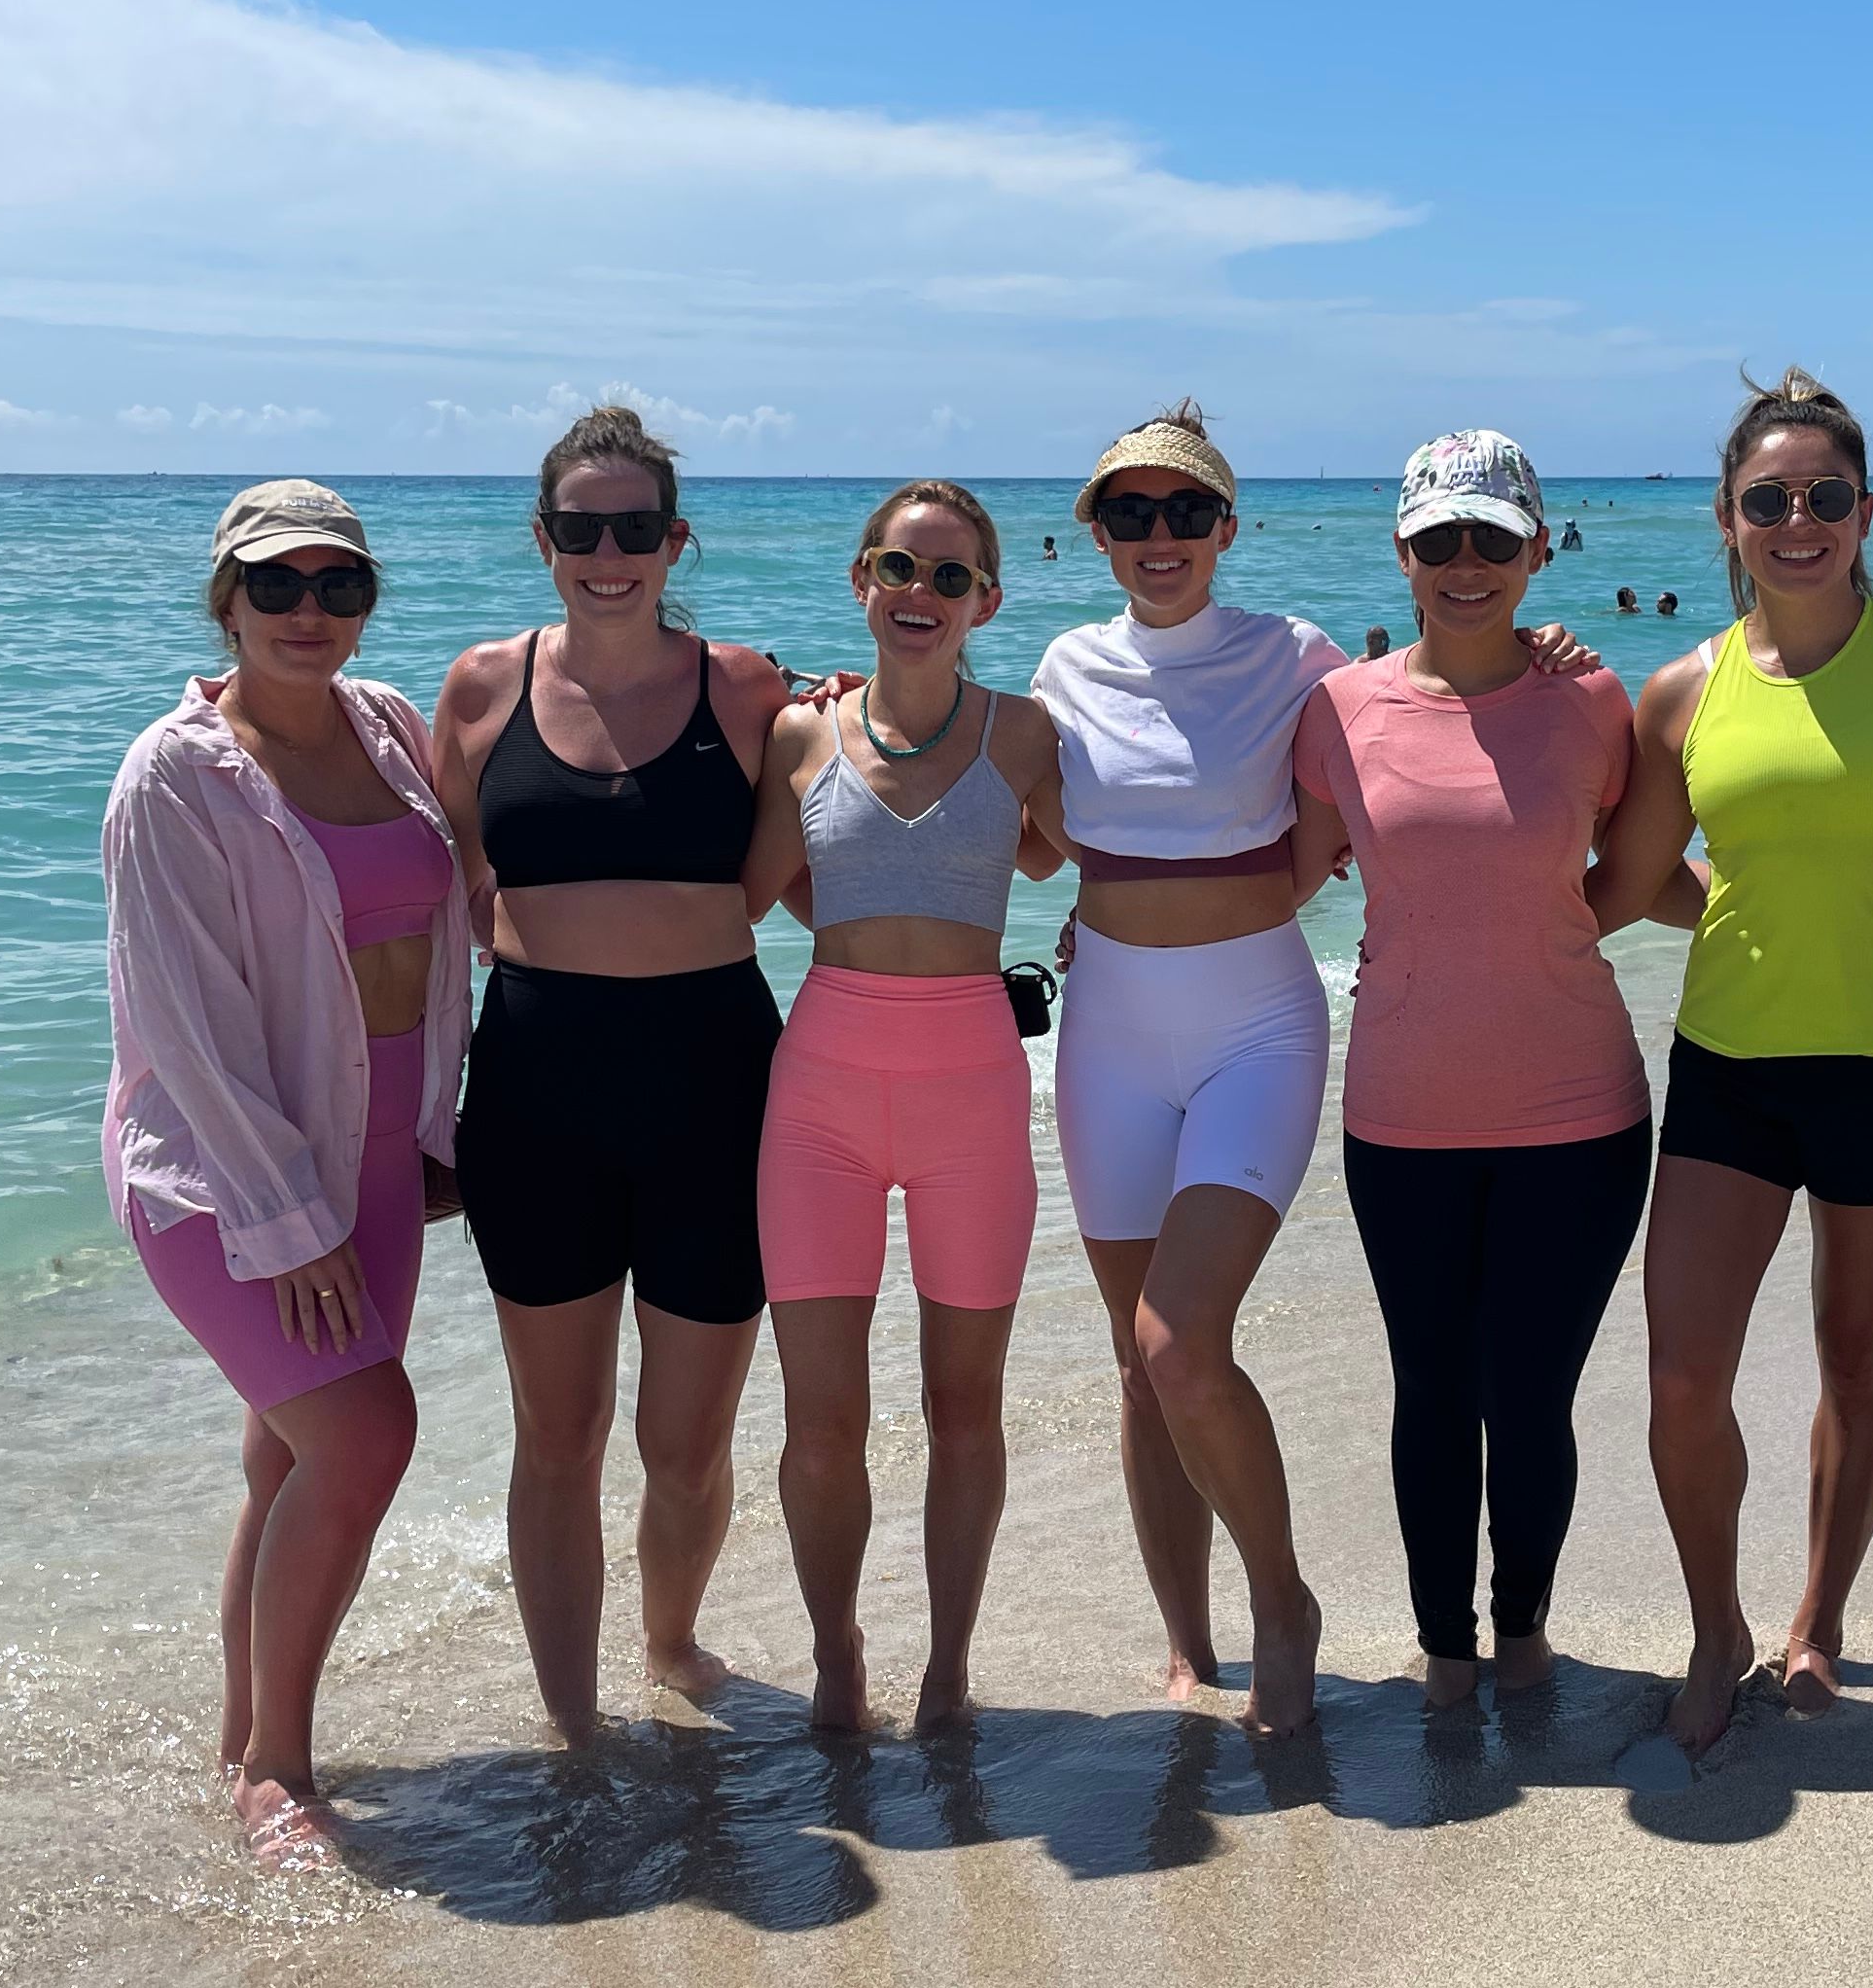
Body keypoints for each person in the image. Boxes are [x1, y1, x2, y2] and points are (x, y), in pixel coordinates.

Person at [1593, 370, 1873, 1744]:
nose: (1798, 520)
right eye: (1768, 500)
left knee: (1855, 1357)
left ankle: (1819, 1622)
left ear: (1865, 511)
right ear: (1728, 518)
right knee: (1682, 1377)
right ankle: (1715, 1627)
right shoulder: (1681, 690)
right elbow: (1630, 879)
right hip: (1730, 1068)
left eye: (1825, 497)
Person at [102, 483, 471, 1869]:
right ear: (226, 602)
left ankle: (240, 1734)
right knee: (364, 1437)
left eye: (339, 585)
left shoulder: (388, 728)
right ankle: (278, 1773)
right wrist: (287, 1219)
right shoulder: (175, 775)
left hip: (378, 1157)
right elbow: (183, 1031)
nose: (310, 612)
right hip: (224, 1176)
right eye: (278, 587)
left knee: (289, 1450)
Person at [432, 406, 796, 1741]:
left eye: (633, 528)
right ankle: (572, 1723)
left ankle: (672, 1641)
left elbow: (811, 869)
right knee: (561, 1432)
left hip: (717, 1087)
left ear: (673, 539)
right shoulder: (478, 690)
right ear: (543, 540)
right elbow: (446, 899)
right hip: (537, 1091)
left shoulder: (752, 690)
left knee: (687, 1444)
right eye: (579, 528)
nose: (607, 552)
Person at [1291, 434, 1663, 1706]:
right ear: (1401, 550)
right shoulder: (1339, 709)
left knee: (1533, 1395)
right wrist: (1113, 917)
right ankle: (1444, 1654)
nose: (1466, 564)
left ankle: (1523, 1636)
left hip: (1581, 1112)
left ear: (1537, 552)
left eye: (1493, 539)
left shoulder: (1594, 702)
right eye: (1440, 539)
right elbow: (1276, 866)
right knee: (1434, 1390)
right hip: (1402, 1116)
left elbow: (1641, 870)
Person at [1024, 402, 1344, 1734]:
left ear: (1227, 526)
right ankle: (1186, 1642)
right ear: (1096, 533)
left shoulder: (1296, 657)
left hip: (1256, 1027)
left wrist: (1551, 658)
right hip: (1105, 1034)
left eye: (1186, 512)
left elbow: (1404, 742)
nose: (1160, 538)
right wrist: (846, 720)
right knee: (1133, 1357)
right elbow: (1025, 842)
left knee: (1181, 1336)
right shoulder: (1060, 667)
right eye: (1129, 514)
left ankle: (1283, 1602)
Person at [747, 482, 1062, 1734]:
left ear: (986, 597)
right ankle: (836, 1659)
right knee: (821, 1419)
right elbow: (757, 887)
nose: (918, 594)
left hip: (974, 1097)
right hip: (818, 1095)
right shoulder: (796, 735)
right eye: (896, 568)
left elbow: (1074, 848)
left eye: (947, 576)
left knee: (961, 1407)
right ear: (860, 583)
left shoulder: (1027, 732)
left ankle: (947, 1671)